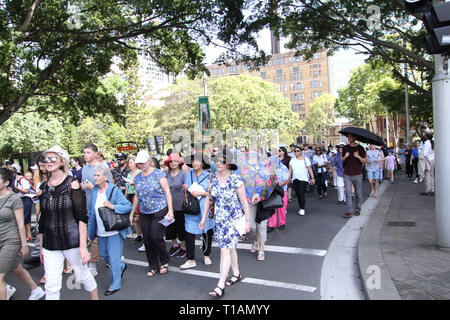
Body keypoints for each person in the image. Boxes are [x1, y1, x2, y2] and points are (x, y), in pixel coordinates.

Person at [38, 146, 98, 300]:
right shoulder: (44, 187)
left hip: (71, 241)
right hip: (50, 244)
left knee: (82, 276)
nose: (48, 162)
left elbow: (82, 217)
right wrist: (41, 247)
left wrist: (83, 247)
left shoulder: (73, 184)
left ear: (62, 161)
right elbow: (43, 220)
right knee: (51, 287)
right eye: (46, 159)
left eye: (53, 158)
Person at [199, 150, 251, 299]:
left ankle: (220, 285)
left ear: (229, 164)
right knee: (230, 248)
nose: (218, 163)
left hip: (233, 221)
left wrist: (248, 221)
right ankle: (236, 273)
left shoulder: (236, 180)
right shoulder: (213, 179)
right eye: (217, 161)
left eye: (222, 161)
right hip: (219, 221)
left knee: (224, 251)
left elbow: (244, 202)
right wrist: (203, 219)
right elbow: (209, 200)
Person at [0, 168, 45, 300]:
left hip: (11, 241)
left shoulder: (14, 199)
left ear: (6, 182)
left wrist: (24, 245)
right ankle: (36, 290)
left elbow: (21, 224)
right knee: (16, 268)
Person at [87, 163, 132, 296]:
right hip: (101, 231)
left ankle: (115, 284)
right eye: (94, 175)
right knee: (105, 256)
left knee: (113, 258)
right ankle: (121, 267)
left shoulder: (114, 190)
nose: (95, 178)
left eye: (98, 175)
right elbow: (91, 212)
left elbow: (127, 206)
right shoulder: (94, 190)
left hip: (114, 230)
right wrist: (90, 231)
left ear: (106, 177)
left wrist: (113, 206)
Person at [129, 150, 174, 277]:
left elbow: (167, 192)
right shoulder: (137, 177)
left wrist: (170, 210)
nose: (140, 165)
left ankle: (164, 260)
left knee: (156, 236)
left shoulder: (158, 173)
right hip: (144, 211)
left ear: (149, 162)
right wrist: (132, 212)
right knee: (147, 239)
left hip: (160, 209)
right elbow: (137, 195)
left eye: (142, 163)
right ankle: (153, 265)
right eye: (138, 163)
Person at [81, 143, 113, 277]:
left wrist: (91, 187)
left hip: (103, 206)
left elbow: (111, 187)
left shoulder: (104, 167)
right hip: (89, 206)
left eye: (88, 152)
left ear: (96, 154)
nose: (85, 155)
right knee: (93, 235)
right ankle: (95, 263)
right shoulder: (83, 169)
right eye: (84, 152)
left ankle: (106, 260)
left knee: (105, 235)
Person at [180, 153, 214, 269]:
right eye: (193, 161)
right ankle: (190, 259)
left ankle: (206, 254)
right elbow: (186, 189)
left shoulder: (209, 175)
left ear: (203, 163)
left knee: (206, 230)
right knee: (189, 231)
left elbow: (213, 192)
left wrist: (201, 193)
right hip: (191, 207)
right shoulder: (188, 174)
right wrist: (185, 188)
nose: (195, 163)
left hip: (204, 206)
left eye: (197, 161)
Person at [164, 153, 187, 259]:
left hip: (181, 205)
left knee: (181, 227)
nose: (173, 163)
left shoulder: (183, 174)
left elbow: (188, 188)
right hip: (169, 205)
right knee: (170, 227)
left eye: (175, 161)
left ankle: (183, 246)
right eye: (171, 161)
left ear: (179, 163)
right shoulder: (166, 173)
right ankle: (175, 244)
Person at [342, 134, 367, 218]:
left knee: (358, 193)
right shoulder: (345, 148)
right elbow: (342, 159)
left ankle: (358, 209)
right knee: (348, 193)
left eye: (350, 137)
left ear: (354, 138)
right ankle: (349, 211)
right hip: (347, 174)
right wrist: (345, 156)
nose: (349, 139)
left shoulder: (360, 148)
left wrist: (358, 156)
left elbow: (364, 160)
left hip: (357, 173)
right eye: (348, 137)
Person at [268, 147, 290, 232]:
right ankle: (271, 225)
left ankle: (282, 223)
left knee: (281, 208)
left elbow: (286, 180)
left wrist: (276, 186)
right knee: (271, 208)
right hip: (271, 191)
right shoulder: (269, 168)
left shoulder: (283, 168)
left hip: (281, 191)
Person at [289, 146, 315, 216]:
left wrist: (312, 178)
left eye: (297, 151)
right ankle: (301, 206)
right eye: (295, 151)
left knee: (301, 193)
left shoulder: (305, 159)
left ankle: (302, 208)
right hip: (295, 179)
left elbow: (309, 169)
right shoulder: (292, 160)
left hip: (303, 179)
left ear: (300, 152)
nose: (296, 152)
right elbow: (290, 170)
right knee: (298, 194)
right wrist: (289, 178)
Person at [11, 164, 34, 241]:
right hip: (19, 199)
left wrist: (16, 188)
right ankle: (28, 235)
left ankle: (26, 236)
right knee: (25, 219)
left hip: (25, 199)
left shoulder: (22, 179)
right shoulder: (15, 180)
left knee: (24, 219)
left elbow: (26, 191)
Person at [125, 156, 143, 246]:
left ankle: (143, 234)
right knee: (135, 218)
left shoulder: (139, 173)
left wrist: (134, 183)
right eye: (129, 163)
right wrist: (125, 196)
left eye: (131, 162)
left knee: (138, 217)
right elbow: (127, 185)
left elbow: (141, 186)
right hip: (130, 195)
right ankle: (139, 235)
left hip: (138, 196)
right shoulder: (129, 173)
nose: (129, 164)